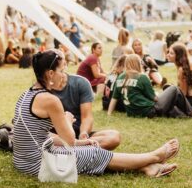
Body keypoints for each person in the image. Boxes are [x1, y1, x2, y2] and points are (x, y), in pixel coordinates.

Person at [11, 50, 179, 178]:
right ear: (50, 74)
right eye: (62, 70)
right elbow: (68, 141)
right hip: (39, 164)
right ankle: (154, 156)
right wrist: (67, 121)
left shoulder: (27, 95)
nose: (64, 75)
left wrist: (81, 142)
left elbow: (40, 134)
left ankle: (148, 167)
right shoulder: (49, 100)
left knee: (90, 149)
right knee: (95, 153)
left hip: (23, 161)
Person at [107, 54, 192, 119]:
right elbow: (155, 99)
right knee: (173, 89)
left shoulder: (120, 77)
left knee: (170, 104)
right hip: (150, 111)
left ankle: (186, 115)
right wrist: (160, 94)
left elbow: (114, 99)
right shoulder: (142, 77)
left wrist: (109, 114)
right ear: (137, 63)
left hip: (133, 113)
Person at [53, 63, 121, 150]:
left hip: (78, 134)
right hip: (57, 138)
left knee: (114, 137)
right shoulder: (42, 90)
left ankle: (76, 150)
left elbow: (86, 116)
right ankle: (82, 151)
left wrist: (83, 134)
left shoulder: (80, 82)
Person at [171, 44, 192, 115]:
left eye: (171, 53)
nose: (168, 55)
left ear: (178, 55)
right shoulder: (186, 66)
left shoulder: (181, 69)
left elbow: (183, 93)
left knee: (168, 108)